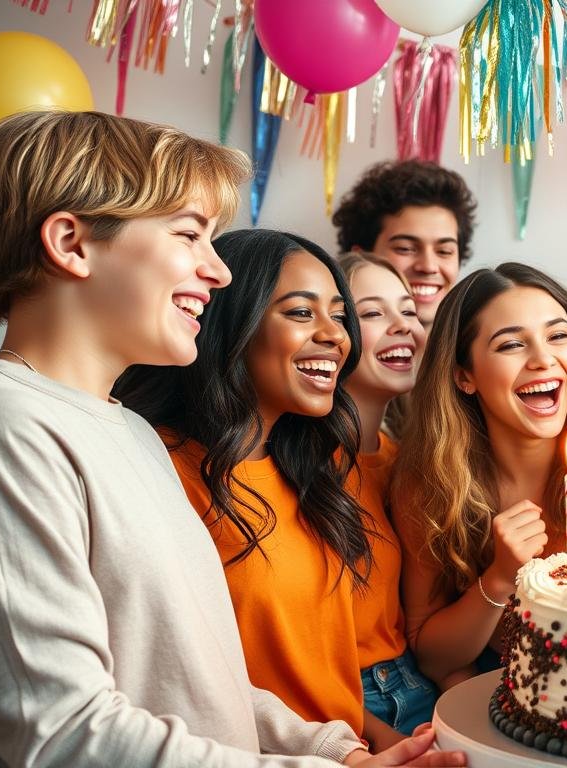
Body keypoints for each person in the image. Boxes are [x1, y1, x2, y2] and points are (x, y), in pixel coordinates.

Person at [0, 109, 459, 766]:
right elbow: (61, 732)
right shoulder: (2, 422)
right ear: (71, 244)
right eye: (190, 235)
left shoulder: (128, 429)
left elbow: (202, 676)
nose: (218, 272)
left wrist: (338, 751)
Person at [115, 231, 367, 741]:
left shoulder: (316, 465)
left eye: (339, 316)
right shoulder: (160, 468)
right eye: (301, 313)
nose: (335, 335)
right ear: (232, 324)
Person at [394, 263, 567, 690]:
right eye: (512, 344)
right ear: (465, 376)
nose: (543, 359)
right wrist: (498, 576)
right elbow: (434, 658)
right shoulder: (429, 486)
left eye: (557, 336)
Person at [336, 251, 437, 745]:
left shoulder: (404, 463)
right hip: (348, 706)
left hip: (414, 683)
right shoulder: (301, 467)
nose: (404, 327)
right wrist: (378, 739)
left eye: (410, 311)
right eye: (373, 313)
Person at [332, 160, 477, 335]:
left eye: (444, 251)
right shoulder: (325, 356)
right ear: (360, 256)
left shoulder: (477, 357)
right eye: (405, 248)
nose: (429, 266)